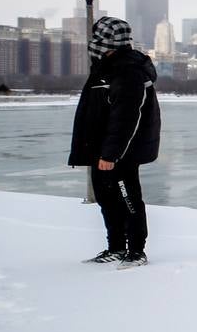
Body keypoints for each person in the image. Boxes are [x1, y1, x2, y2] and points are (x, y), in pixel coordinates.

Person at [69, 16, 162, 268]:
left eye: (98, 37)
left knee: (128, 198)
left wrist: (111, 155)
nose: (93, 42)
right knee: (105, 198)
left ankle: (136, 251)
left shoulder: (128, 70)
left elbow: (126, 117)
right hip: (101, 149)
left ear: (110, 41)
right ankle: (116, 247)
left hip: (121, 152)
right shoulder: (105, 67)